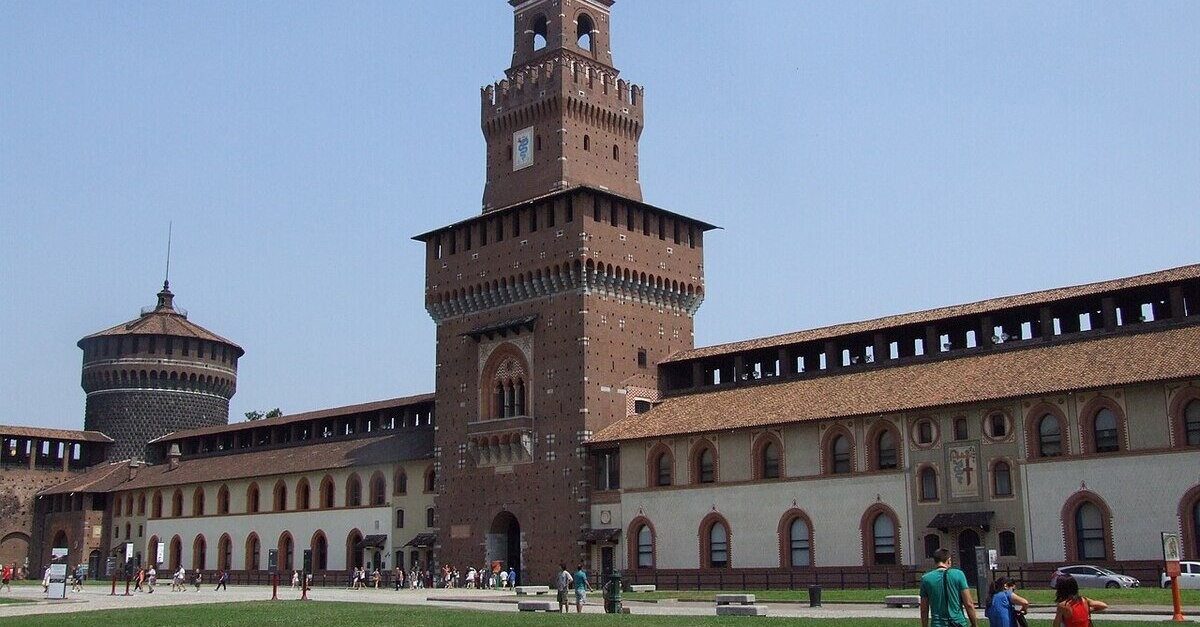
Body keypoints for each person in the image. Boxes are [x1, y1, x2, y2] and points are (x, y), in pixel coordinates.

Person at [919, 548, 977, 627]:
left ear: (935, 561)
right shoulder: (958, 574)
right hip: (958, 622)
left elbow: (924, 609)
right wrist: (974, 624)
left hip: (937, 624)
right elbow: (969, 603)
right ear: (949, 561)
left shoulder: (926, 579)